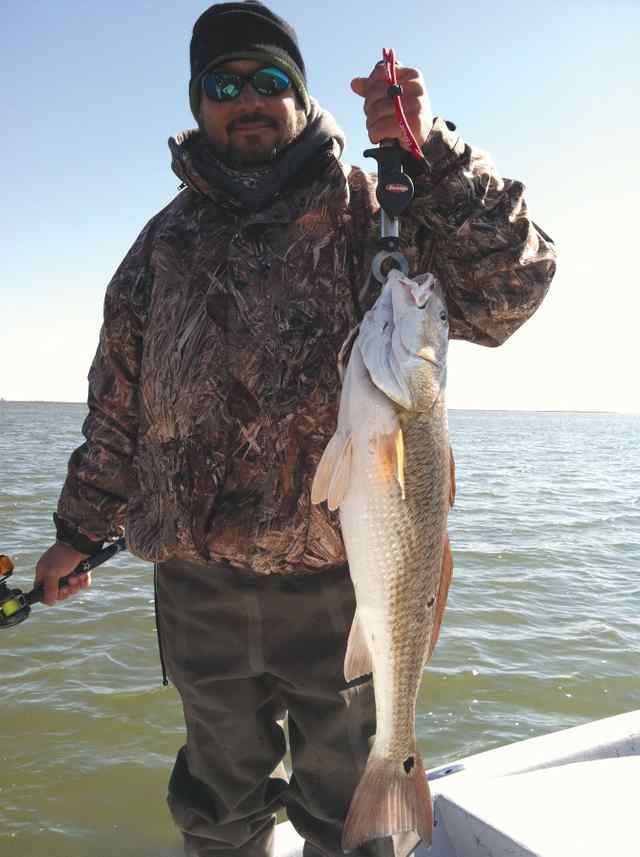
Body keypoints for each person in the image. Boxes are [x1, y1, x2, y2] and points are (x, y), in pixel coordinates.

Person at [34, 2, 557, 856]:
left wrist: (436, 152)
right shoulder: (159, 246)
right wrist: (76, 533)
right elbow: (115, 408)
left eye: (270, 80)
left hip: (340, 582)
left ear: (302, 95)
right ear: (197, 103)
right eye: (224, 83)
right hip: (197, 587)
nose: (248, 98)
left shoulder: (378, 213)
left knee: (342, 806)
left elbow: (513, 288)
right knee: (215, 803)